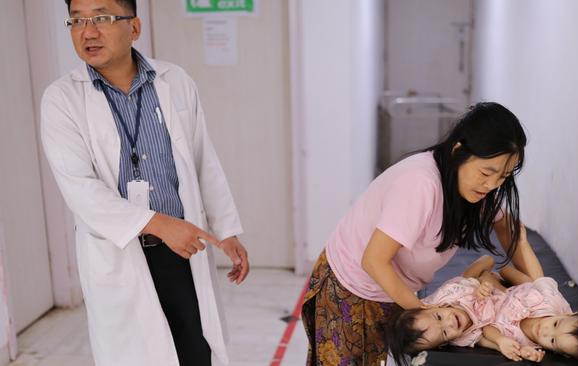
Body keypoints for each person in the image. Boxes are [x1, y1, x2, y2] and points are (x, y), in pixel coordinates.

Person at [40, 0, 250, 365]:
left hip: (183, 252)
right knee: (136, 355)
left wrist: (226, 228)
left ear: (133, 27)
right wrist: (159, 224)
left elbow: (203, 159)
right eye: (76, 21)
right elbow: (81, 189)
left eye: (101, 18)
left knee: (194, 350)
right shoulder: (62, 99)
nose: (87, 31)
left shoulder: (174, 81)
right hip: (119, 253)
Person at [301, 102, 532, 365]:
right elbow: (373, 260)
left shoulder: (477, 189)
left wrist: (542, 294)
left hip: (395, 290)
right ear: (459, 150)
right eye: (486, 172)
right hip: (351, 285)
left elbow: (509, 230)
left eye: (502, 177)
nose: (492, 185)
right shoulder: (420, 184)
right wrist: (424, 310)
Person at [386, 250, 578, 364]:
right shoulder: (552, 304)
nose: (449, 323)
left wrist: (482, 284)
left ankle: (488, 267)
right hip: (512, 296)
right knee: (516, 283)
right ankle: (497, 272)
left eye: (553, 342)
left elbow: (490, 334)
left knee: (477, 277)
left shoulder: (449, 297)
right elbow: (537, 280)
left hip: (471, 294)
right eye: (444, 332)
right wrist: (520, 243)